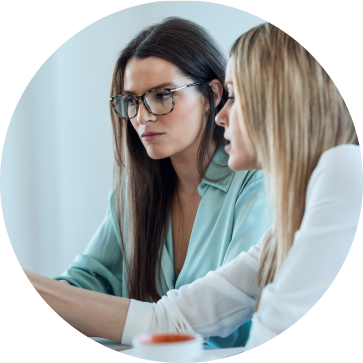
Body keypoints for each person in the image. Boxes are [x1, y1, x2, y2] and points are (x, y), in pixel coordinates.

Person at [24, 22, 361, 351]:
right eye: (132, 101)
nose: (141, 117)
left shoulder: (333, 172)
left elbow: (262, 326)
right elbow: (169, 319)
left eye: (162, 95)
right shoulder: (283, 229)